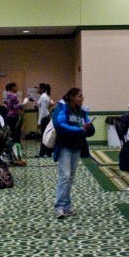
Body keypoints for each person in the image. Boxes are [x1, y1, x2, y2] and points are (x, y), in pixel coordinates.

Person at [51, 87, 94, 219]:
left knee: (70, 177)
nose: (82, 99)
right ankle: (59, 207)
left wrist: (88, 127)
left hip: (77, 146)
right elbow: (59, 125)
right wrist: (79, 129)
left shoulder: (82, 112)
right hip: (65, 146)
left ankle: (66, 206)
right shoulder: (63, 109)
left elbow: (90, 131)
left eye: (82, 96)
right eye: (79, 96)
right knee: (65, 176)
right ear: (72, 97)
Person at [36, 83, 54, 157]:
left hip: (44, 118)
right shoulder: (46, 96)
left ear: (43, 89)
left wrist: (39, 122)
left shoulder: (43, 97)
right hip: (46, 117)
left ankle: (45, 153)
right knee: (45, 136)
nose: (38, 90)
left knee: (44, 136)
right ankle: (43, 153)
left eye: (39, 88)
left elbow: (43, 110)